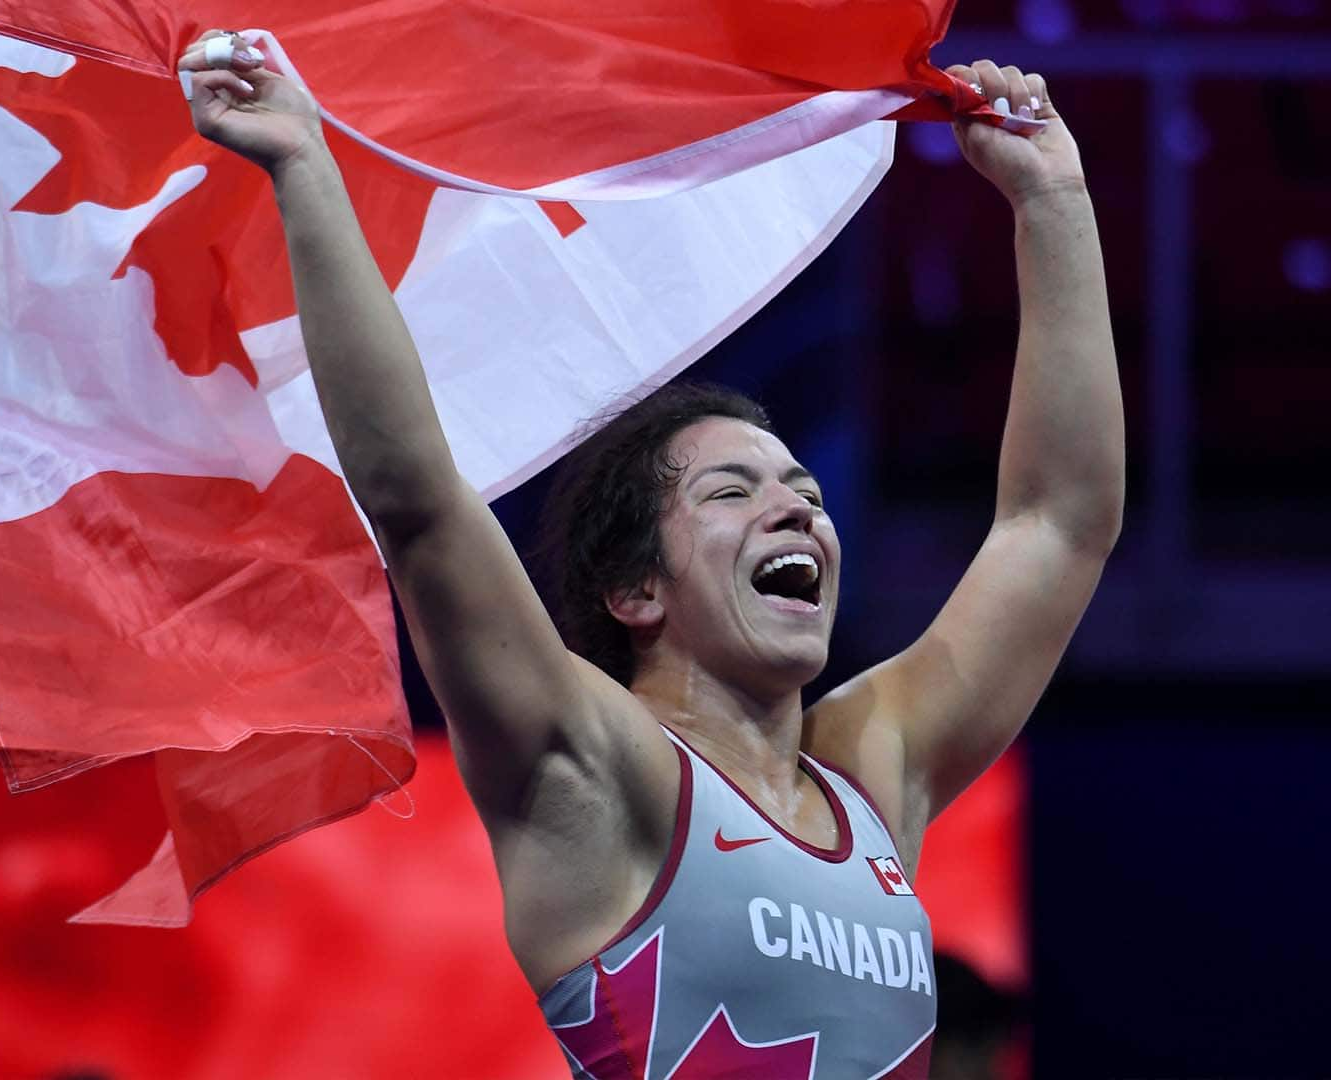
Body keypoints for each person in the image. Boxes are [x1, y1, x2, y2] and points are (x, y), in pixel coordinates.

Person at [180, 33, 1121, 1076]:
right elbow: (419, 503)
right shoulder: (592, 769)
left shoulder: (873, 773)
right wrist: (306, 168)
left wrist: (1053, 205)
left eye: (806, 495)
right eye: (736, 490)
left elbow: (1058, 523)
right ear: (634, 590)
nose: (795, 511)